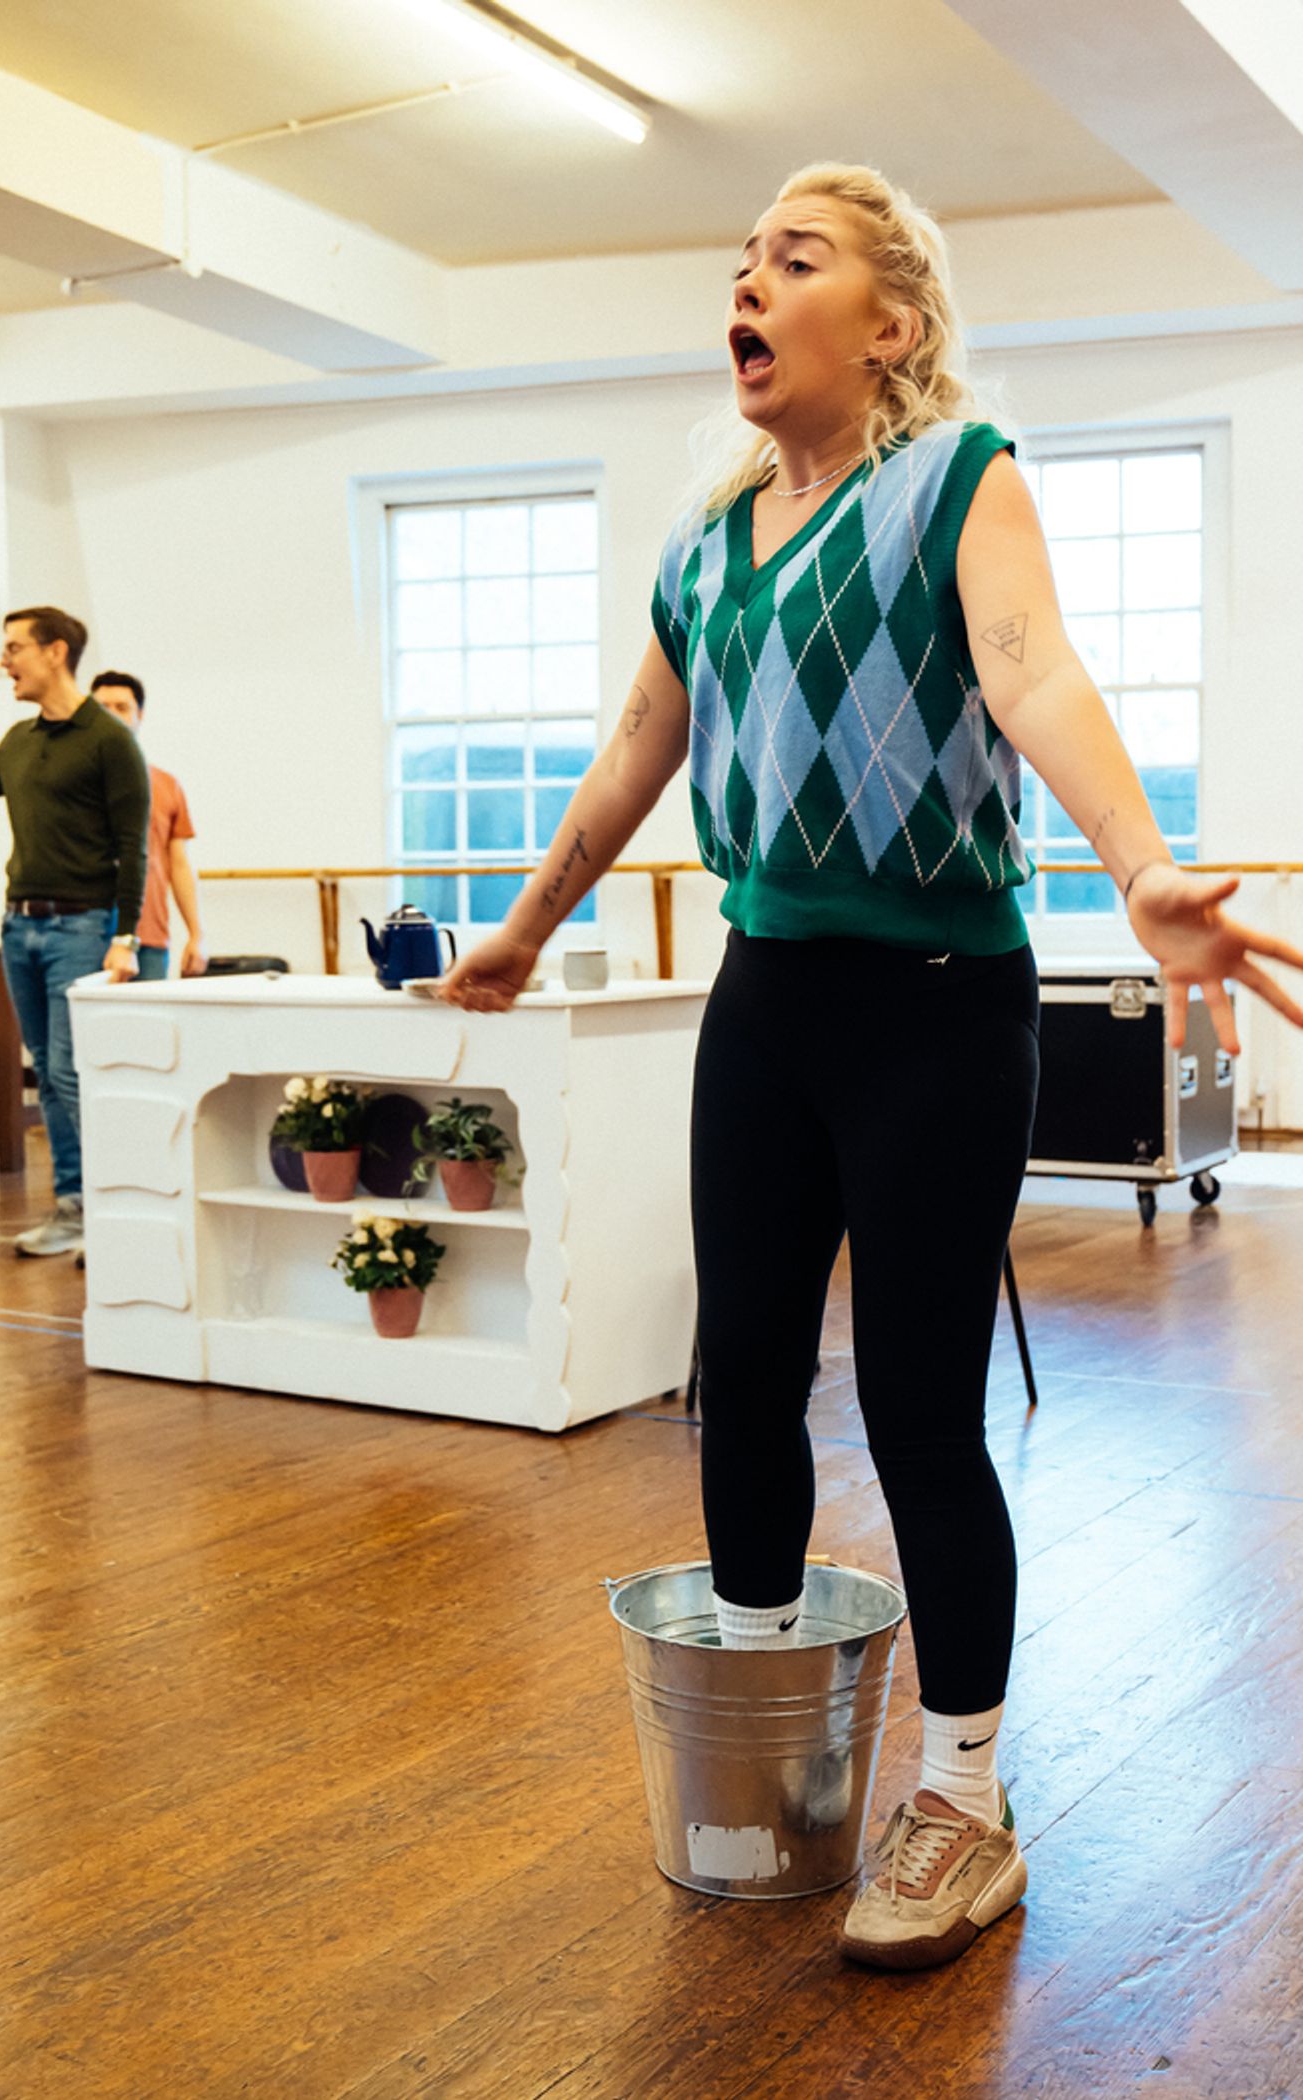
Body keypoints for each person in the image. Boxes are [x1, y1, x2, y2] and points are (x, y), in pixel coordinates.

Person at [436, 162, 1303, 1972]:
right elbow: (629, 756)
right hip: (768, 997)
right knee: (739, 1376)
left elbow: (1031, 668)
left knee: (917, 1406)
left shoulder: (954, 478)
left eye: (795, 261)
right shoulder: (703, 540)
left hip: (937, 1003)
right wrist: (520, 925)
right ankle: (765, 1745)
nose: (748, 284)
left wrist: (1142, 864)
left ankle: (967, 1804)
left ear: (889, 326)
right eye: (742, 261)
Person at [0, 606, 149, 1258]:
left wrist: (124, 937)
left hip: (83, 929)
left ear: (56, 651)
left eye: (14, 648)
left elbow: (134, 850)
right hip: (21, 929)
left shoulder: (110, 740)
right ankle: (74, 1208)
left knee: (70, 1072)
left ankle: (113, 1208)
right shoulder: (18, 741)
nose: (3, 661)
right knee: (47, 1068)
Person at [90, 672, 208, 983]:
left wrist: (197, 934)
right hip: (87, 934)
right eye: (103, 708)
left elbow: (179, 864)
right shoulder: (76, 781)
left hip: (150, 938)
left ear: (139, 715)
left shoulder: (166, 785)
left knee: (147, 1028)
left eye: (122, 707)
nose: (113, 716)